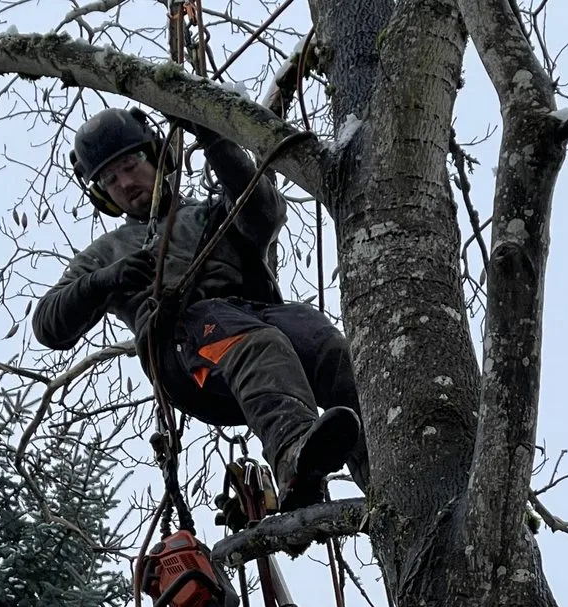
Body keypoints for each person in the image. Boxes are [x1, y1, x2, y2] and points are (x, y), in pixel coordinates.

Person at [31, 107, 368, 511]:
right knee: (256, 343)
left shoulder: (212, 214)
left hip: (254, 318)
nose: (124, 183)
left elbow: (264, 213)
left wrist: (214, 138)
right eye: (109, 179)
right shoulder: (106, 254)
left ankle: (385, 465)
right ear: (102, 194)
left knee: (322, 340)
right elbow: (48, 325)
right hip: (184, 349)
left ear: (159, 157)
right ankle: (293, 455)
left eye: (130, 164)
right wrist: (104, 280)